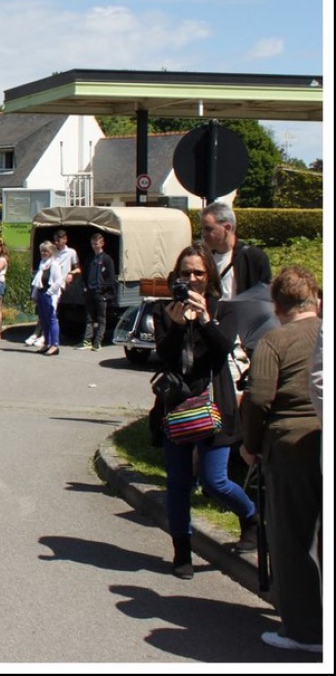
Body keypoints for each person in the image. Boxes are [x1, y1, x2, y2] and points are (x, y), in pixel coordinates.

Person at [151, 242, 257, 579]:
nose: (192, 279)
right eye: (186, 273)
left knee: (215, 481)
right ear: (176, 277)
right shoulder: (164, 311)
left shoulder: (223, 309)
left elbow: (223, 349)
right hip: (178, 406)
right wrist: (179, 325)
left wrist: (206, 320)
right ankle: (182, 550)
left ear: (208, 275)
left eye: (198, 272)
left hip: (216, 404)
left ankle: (251, 517)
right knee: (179, 483)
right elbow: (165, 359)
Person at [238, 267, 322, 654]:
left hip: (290, 447)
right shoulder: (323, 332)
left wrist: (250, 445)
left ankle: (305, 630)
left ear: (277, 303)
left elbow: (258, 399)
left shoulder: (275, 341)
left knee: (293, 540)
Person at [199, 201, 271, 300]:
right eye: (202, 229)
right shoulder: (202, 257)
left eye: (208, 229)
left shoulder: (253, 257)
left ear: (227, 228)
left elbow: (265, 294)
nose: (204, 234)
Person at [82, 232, 116, 351]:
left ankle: (98, 342)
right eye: (92, 244)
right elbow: (85, 274)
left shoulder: (107, 259)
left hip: (101, 294)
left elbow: (111, 278)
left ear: (102, 244)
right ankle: (87, 341)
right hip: (90, 292)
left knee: (101, 319)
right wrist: (85, 287)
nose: (94, 246)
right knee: (89, 318)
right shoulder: (90, 259)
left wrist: (103, 289)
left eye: (96, 244)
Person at [29, 240, 65, 354]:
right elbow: (37, 280)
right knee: (43, 320)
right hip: (41, 293)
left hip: (49, 294)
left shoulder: (54, 264)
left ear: (51, 252)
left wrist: (49, 293)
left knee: (52, 319)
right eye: (42, 251)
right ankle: (46, 344)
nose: (43, 253)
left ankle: (55, 345)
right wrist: (34, 293)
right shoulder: (42, 264)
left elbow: (58, 281)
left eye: (46, 251)